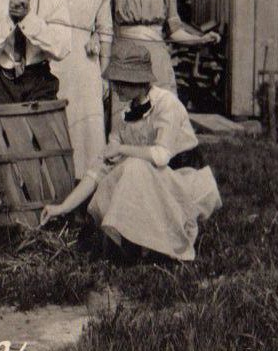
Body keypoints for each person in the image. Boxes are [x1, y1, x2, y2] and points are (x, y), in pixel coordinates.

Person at [40, 41, 222, 262]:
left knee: (133, 168)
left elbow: (161, 156)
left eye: (121, 83)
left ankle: (150, 244)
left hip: (181, 180)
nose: (116, 88)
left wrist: (123, 149)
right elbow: (98, 170)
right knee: (119, 174)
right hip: (150, 180)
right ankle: (127, 244)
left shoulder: (167, 105)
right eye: (115, 82)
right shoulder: (125, 116)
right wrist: (62, 207)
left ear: (138, 81)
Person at [47, 0, 112, 177]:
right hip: (53, 60)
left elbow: (105, 32)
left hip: (85, 63)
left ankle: (90, 179)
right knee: (57, 117)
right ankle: (58, 177)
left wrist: (104, 74)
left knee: (87, 121)